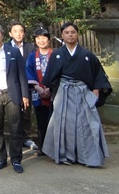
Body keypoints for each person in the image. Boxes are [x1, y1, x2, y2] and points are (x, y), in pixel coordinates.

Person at [42, 22, 111, 167]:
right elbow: (51, 76)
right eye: (67, 32)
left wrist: (96, 90)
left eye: (73, 32)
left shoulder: (87, 55)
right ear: (62, 35)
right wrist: (49, 89)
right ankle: (64, 155)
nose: (70, 35)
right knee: (63, 124)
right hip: (63, 92)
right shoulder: (57, 54)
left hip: (82, 91)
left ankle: (87, 157)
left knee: (87, 124)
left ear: (77, 34)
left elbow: (98, 73)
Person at [0, 23, 30, 173]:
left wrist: (25, 95)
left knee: (16, 128)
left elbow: (22, 74)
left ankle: (16, 159)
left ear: (3, 35)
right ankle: (1, 157)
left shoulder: (13, 52)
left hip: (12, 93)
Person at [6, 21, 37, 150]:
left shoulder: (31, 47)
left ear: (24, 33)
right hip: (12, 84)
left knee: (26, 112)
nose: (18, 34)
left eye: (21, 31)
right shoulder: (5, 47)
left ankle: (26, 137)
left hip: (27, 84)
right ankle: (15, 137)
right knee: (13, 113)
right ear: (10, 33)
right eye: (15, 31)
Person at [25, 27, 53, 155]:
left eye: (44, 38)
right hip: (38, 92)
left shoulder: (55, 55)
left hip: (53, 92)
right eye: (38, 38)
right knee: (41, 120)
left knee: (54, 120)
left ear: (48, 39)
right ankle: (43, 147)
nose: (41, 41)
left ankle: (54, 147)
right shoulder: (32, 56)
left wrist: (49, 88)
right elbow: (28, 71)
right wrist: (38, 87)